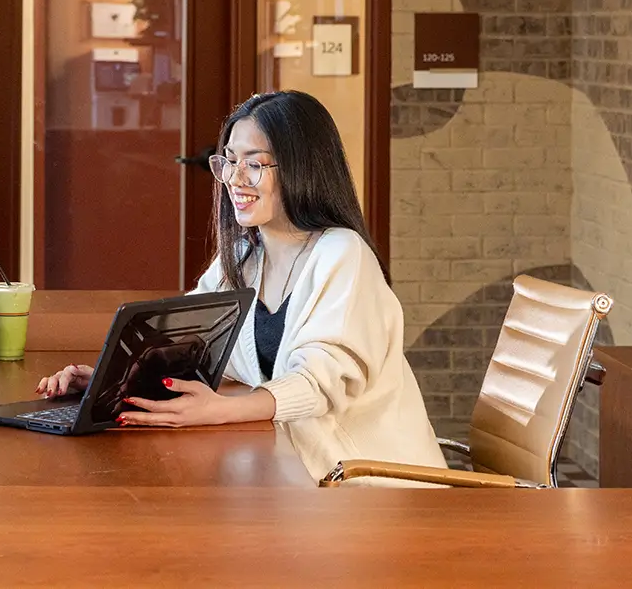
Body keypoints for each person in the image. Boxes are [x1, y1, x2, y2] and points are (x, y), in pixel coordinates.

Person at [37, 91, 445, 484]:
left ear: (302, 168)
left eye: (254, 164)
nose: (234, 179)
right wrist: (115, 381)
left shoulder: (342, 252)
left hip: (365, 483)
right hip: (292, 473)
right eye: (229, 161)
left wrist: (219, 410)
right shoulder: (245, 256)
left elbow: (323, 383)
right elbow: (192, 343)